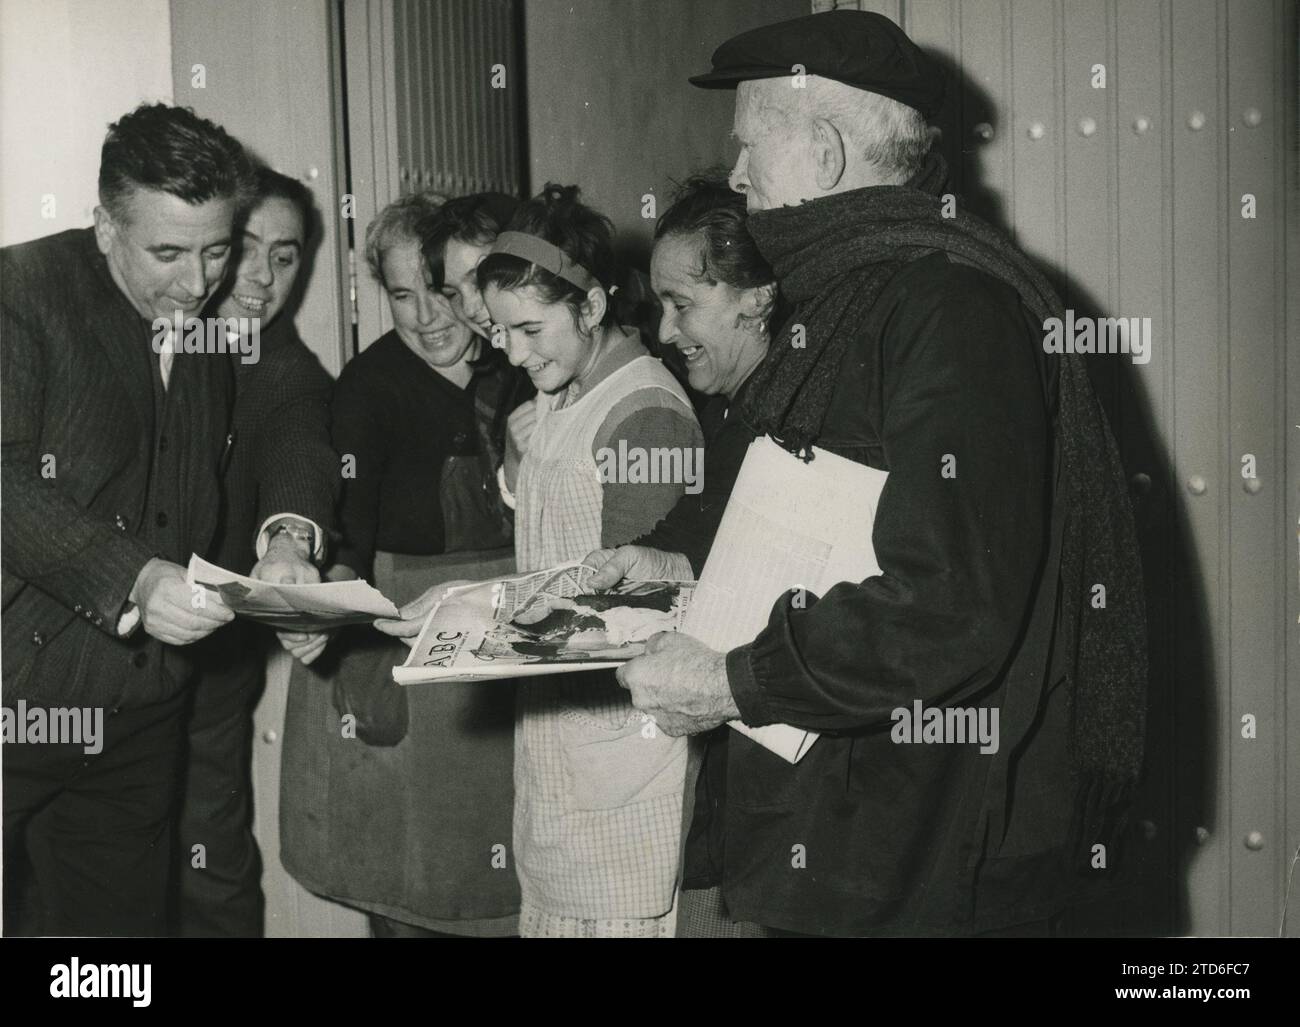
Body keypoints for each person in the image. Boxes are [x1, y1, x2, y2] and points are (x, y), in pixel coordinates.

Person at [600, 9, 1148, 937]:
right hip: (836, 820)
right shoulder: (852, 292)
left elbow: (953, 604)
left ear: (819, 152)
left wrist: (734, 683)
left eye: (748, 147)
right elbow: (792, 490)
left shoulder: (950, 310)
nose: (734, 175)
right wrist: (677, 561)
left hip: (917, 840)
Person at [380, 184, 705, 938]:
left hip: (626, 756)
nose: (514, 354)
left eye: (531, 328)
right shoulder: (561, 394)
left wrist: (474, 613)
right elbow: (560, 562)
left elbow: (636, 612)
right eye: (500, 330)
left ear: (591, 307)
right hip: (561, 750)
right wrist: (468, 600)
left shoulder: (645, 413)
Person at [1, 103, 255, 936]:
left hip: (138, 715)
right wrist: (137, 577)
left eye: (217, 250)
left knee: (111, 963)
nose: (197, 282)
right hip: (11, 701)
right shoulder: (21, 294)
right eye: (169, 252)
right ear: (105, 226)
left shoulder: (213, 330)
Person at [279, 191, 527, 938]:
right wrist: (343, 634)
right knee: (402, 882)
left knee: (506, 881)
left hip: (501, 640)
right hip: (395, 639)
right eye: (401, 296)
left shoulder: (519, 361)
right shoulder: (368, 386)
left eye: (444, 292)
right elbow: (345, 529)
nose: (427, 316)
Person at [585, 173, 778, 936]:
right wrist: (656, 558)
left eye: (682, 305)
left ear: (756, 297)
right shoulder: (738, 405)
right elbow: (708, 523)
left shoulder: (802, 410)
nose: (665, 331)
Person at [175, 166, 339, 936]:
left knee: (211, 860)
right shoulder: (153, 331)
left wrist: (286, 541)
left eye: (286, 254)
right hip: (84, 652)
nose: (262, 277)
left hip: (206, 666)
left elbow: (298, 450)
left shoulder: (288, 368)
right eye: (245, 248)